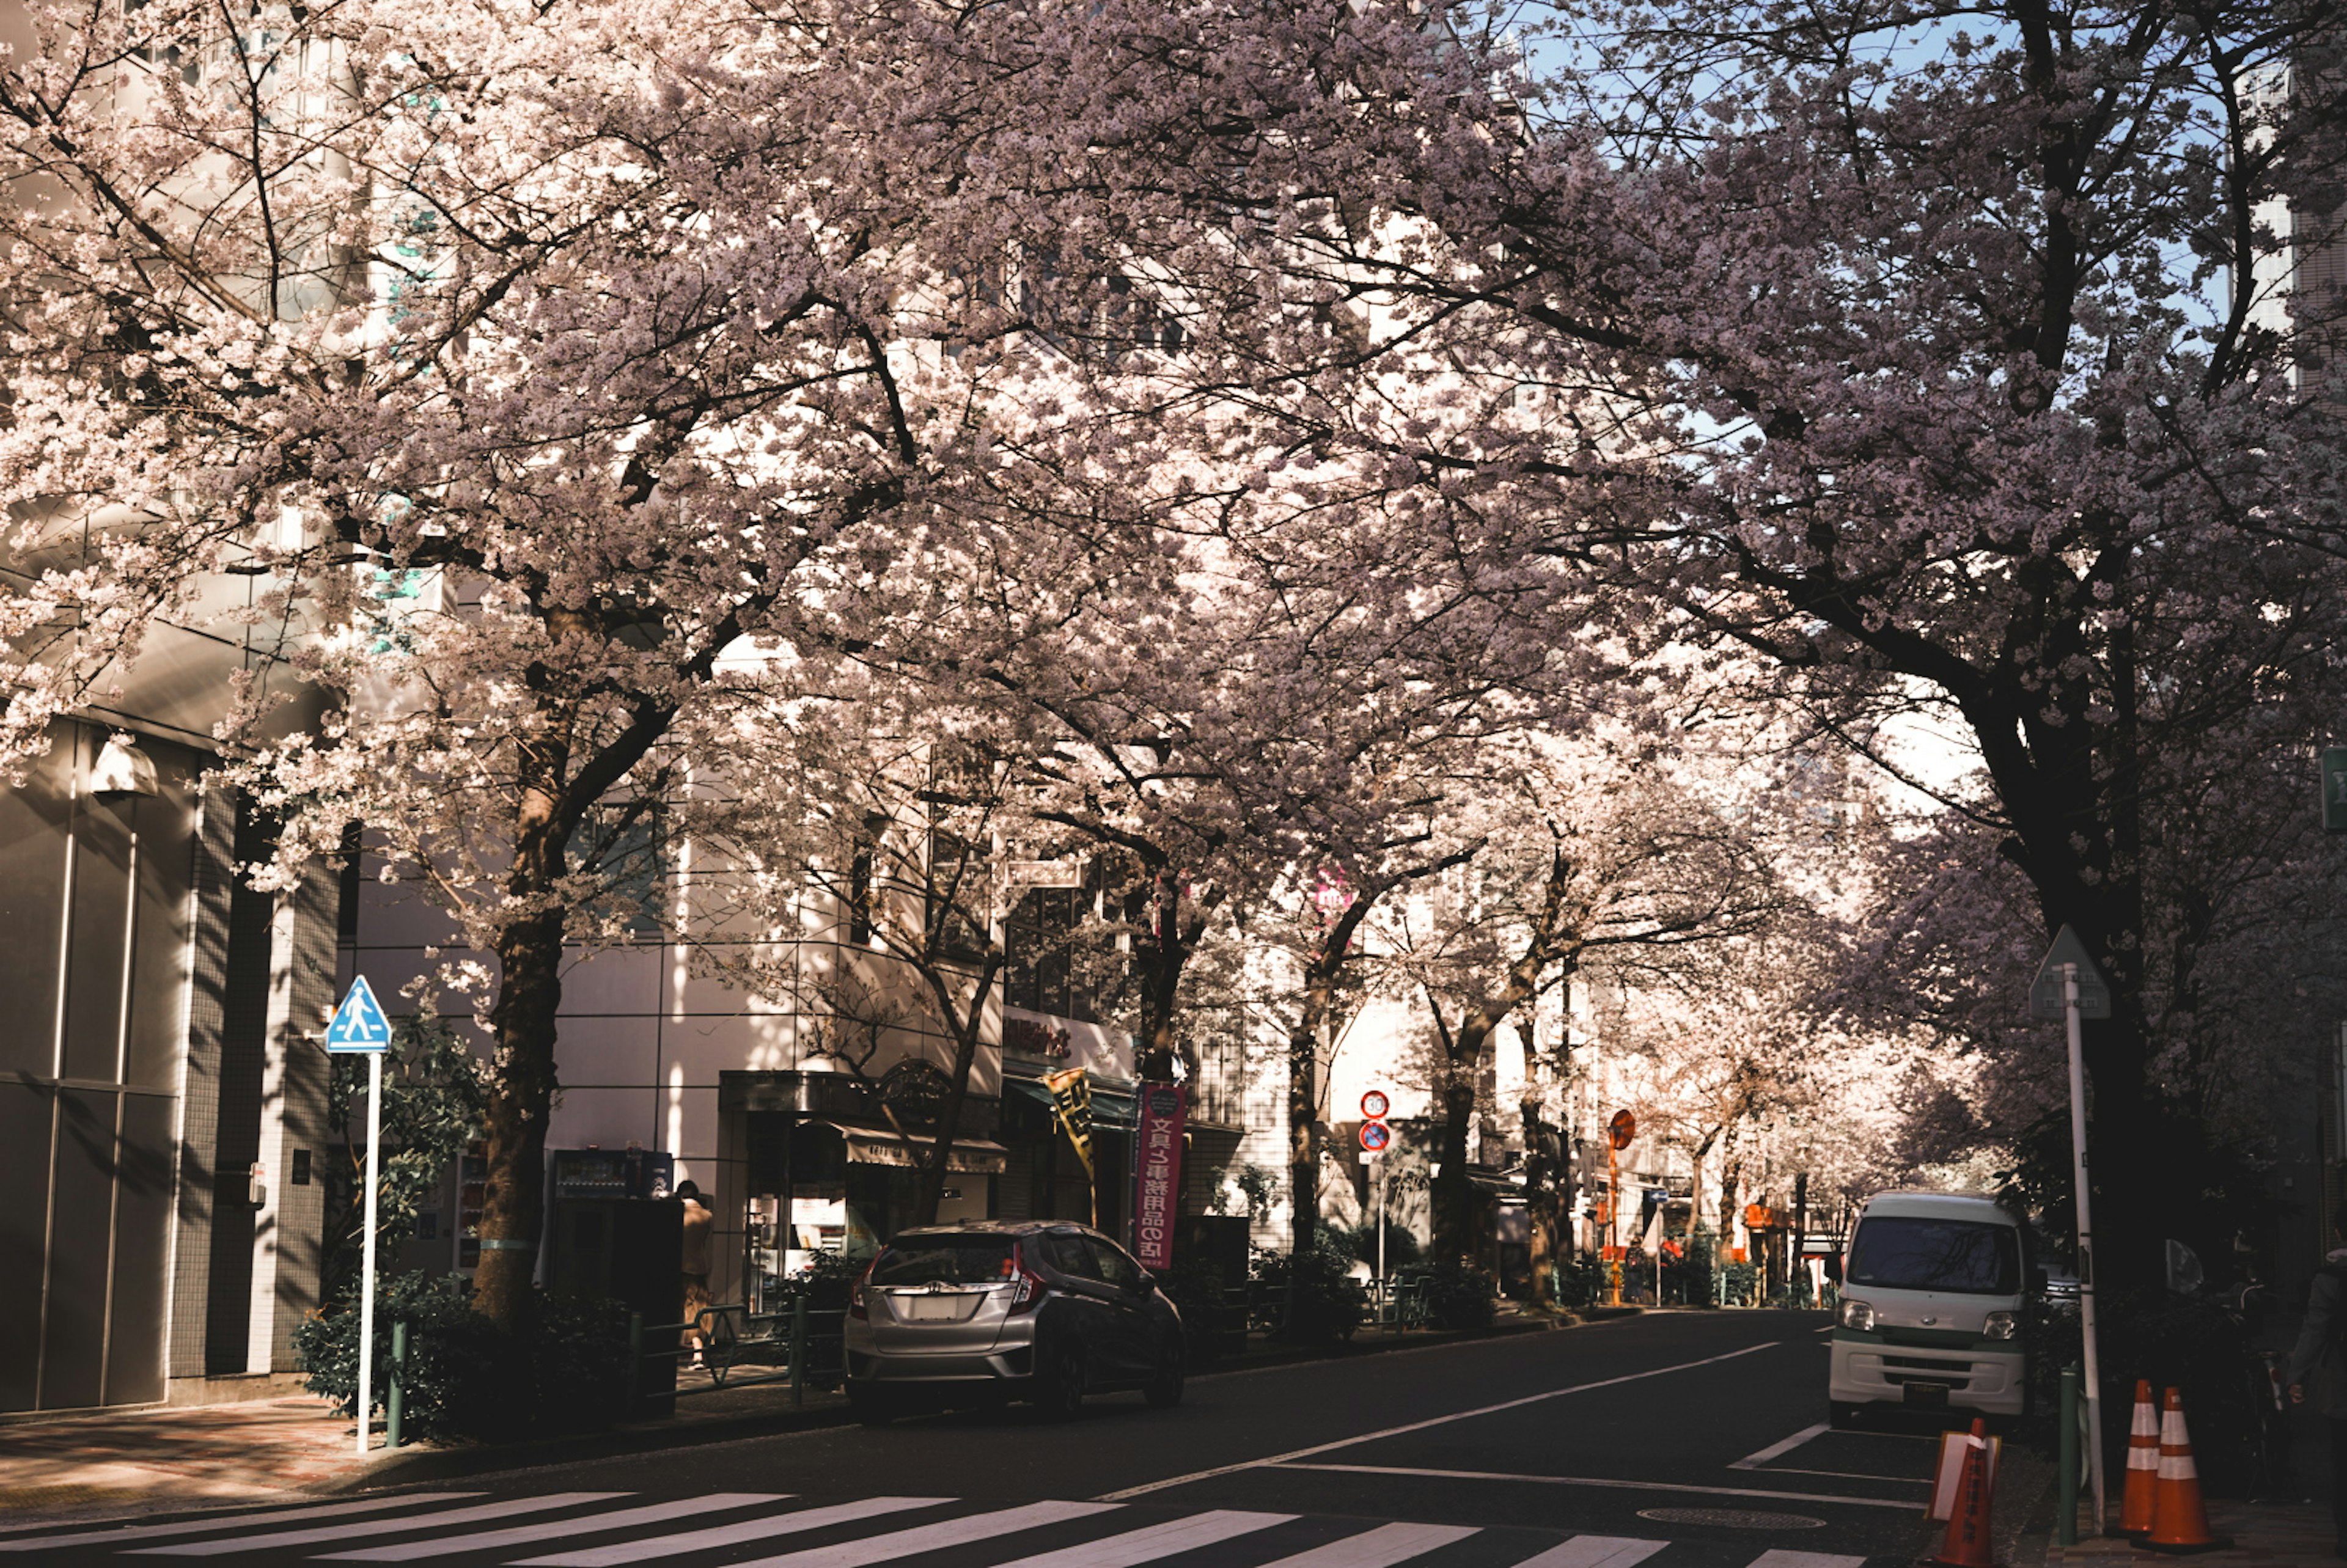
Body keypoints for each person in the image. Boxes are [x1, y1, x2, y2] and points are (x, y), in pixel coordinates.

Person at [2285, 1198, 2347, 1555]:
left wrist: (2297, 1377)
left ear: (2338, 1233)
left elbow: (2315, 1331)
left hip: (2342, 1381)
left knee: (2342, 1461)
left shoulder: (2329, 1279)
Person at [677, 1179, 714, 1369]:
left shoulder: (679, 1212)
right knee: (698, 1310)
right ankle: (699, 1353)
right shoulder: (707, 1215)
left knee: (689, 1310)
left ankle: (697, 1355)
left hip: (681, 1267)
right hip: (700, 1266)